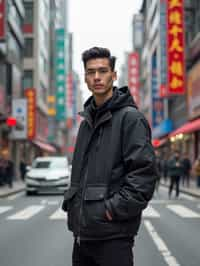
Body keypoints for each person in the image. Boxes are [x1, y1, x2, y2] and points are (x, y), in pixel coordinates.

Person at [62, 47, 157, 266]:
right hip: (82, 237)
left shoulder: (131, 119)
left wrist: (109, 211)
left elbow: (143, 177)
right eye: (91, 72)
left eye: (103, 71)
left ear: (114, 76)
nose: (96, 77)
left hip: (113, 239)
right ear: (85, 77)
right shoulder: (86, 123)